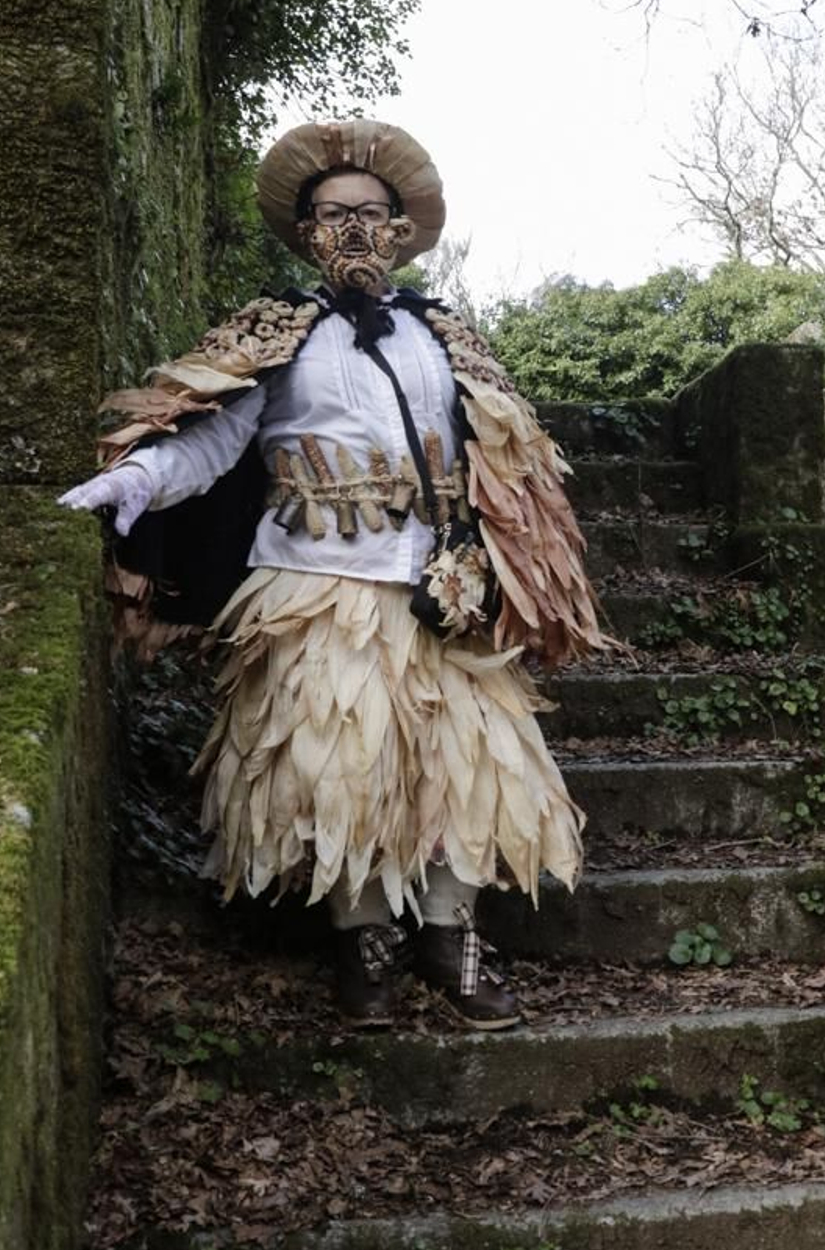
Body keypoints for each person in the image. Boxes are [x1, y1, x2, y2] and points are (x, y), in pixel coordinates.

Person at [60, 117, 602, 1030]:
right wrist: (136, 477)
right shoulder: (277, 334)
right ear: (306, 231)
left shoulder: (445, 337)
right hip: (314, 587)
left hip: (442, 591)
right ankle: (365, 945)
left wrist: (516, 563)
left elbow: (508, 459)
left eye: (371, 212)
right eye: (331, 212)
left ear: (401, 229)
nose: (353, 227)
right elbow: (211, 437)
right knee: (338, 771)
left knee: (469, 764)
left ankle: (448, 936)